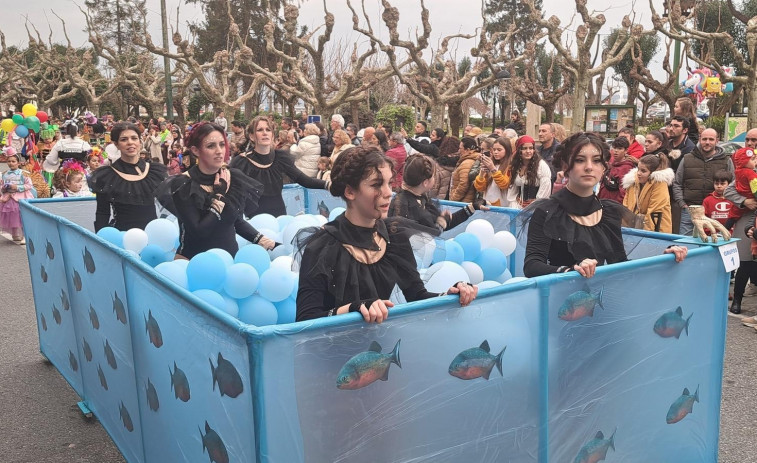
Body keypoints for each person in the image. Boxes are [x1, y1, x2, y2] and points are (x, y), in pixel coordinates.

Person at [295, 145, 478, 322]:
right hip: (334, 351)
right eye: (376, 185)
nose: (388, 193)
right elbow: (306, 320)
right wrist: (353, 309)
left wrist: (450, 295)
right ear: (350, 191)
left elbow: (417, 296)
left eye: (390, 183)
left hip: (380, 350)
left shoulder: (395, 237)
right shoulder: (322, 247)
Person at [523, 132, 688, 278]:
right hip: (558, 302)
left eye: (596, 161)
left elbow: (620, 263)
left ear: (604, 167)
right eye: (580, 160)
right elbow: (532, 265)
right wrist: (569, 271)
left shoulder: (608, 211)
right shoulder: (547, 210)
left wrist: (664, 258)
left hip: (599, 301)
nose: (589, 167)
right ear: (566, 166)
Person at [156, 122, 270, 259]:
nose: (219, 151)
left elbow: (236, 220)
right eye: (211, 146)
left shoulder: (231, 177)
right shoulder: (183, 183)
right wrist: (219, 197)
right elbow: (199, 231)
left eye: (222, 144)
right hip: (194, 263)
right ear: (195, 150)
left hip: (230, 262)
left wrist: (263, 240)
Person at [229, 116, 328, 218]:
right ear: (252, 136)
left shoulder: (281, 158)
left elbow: (305, 180)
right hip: (252, 219)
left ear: (272, 135)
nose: (265, 133)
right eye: (259, 130)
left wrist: (329, 185)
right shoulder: (241, 162)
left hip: (279, 216)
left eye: (268, 130)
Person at [89, 122, 168, 232]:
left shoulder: (154, 171)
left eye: (134, 138)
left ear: (140, 142)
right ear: (116, 144)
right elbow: (102, 213)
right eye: (124, 139)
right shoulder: (107, 176)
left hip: (153, 237)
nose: (130, 142)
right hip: (122, 239)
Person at [390, 154, 488, 234]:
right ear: (425, 182)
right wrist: (440, 223)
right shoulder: (403, 204)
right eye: (434, 176)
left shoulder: (422, 198)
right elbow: (430, 232)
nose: (435, 179)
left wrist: (472, 207)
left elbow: (441, 226)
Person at [672, 128, 733, 236]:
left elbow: (733, 184)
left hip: (716, 211)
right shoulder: (687, 158)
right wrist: (682, 204)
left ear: (717, 141)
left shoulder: (726, 160)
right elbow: (677, 183)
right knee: (686, 244)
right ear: (699, 139)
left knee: (713, 243)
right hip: (690, 210)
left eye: (711, 139)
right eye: (704, 139)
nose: (707, 142)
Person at [621, 154, 675, 233]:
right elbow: (626, 207)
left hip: (657, 230)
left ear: (653, 173)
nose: (638, 173)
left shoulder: (660, 184)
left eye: (643, 171)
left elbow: (654, 211)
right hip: (635, 227)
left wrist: (646, 235)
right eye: (638, 169)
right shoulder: (632, 182)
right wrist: (624, 229)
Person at [504, 135, 552, 208]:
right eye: (524, 148)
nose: (528, 151)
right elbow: (513, 189)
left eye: (531, 148)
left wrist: (535, 202)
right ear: (519, 150)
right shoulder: (516, 166)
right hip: (517, 206)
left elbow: (545, 188)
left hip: (535, 208)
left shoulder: (541, 165)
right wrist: (514, 200)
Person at [0, 154, 34, 242]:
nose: (11, 163)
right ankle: (15, 234)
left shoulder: (23, 173)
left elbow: (29, 185)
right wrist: (4, 188)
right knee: (12, 216)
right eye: (9, 161)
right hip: (9, 197)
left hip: (21, 197)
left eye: (13, 161)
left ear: (18, 163)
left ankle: (24, 235)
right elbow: (1, 185)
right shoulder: (4, 174)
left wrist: (17, 187)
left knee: (21, 216)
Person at [473, 136, 512, 206]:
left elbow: (504, 185)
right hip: (487, 202)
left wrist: (493, 169)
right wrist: (481, 174)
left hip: (503, 205)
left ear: (507, 150)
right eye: (494, 150)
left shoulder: (510, 166)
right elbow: (480, 188)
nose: (496, 152)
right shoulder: (491, 163)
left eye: (499, 150)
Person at [598, 137, 637, 203]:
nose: (616, 151)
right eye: (614, 147)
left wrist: (617, 207)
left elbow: (624, 193)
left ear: (626, 150)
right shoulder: (611, 163)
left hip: (613, 206)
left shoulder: (626, 168)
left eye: (619, 148)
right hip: (603, 202)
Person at [449, 137, 481, 203]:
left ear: (467, 150)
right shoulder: (471, 160)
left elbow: (464, 184)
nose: (458, 151)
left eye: (460, 148)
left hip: (462, 202)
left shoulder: (467, 163)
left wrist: (453, 199)